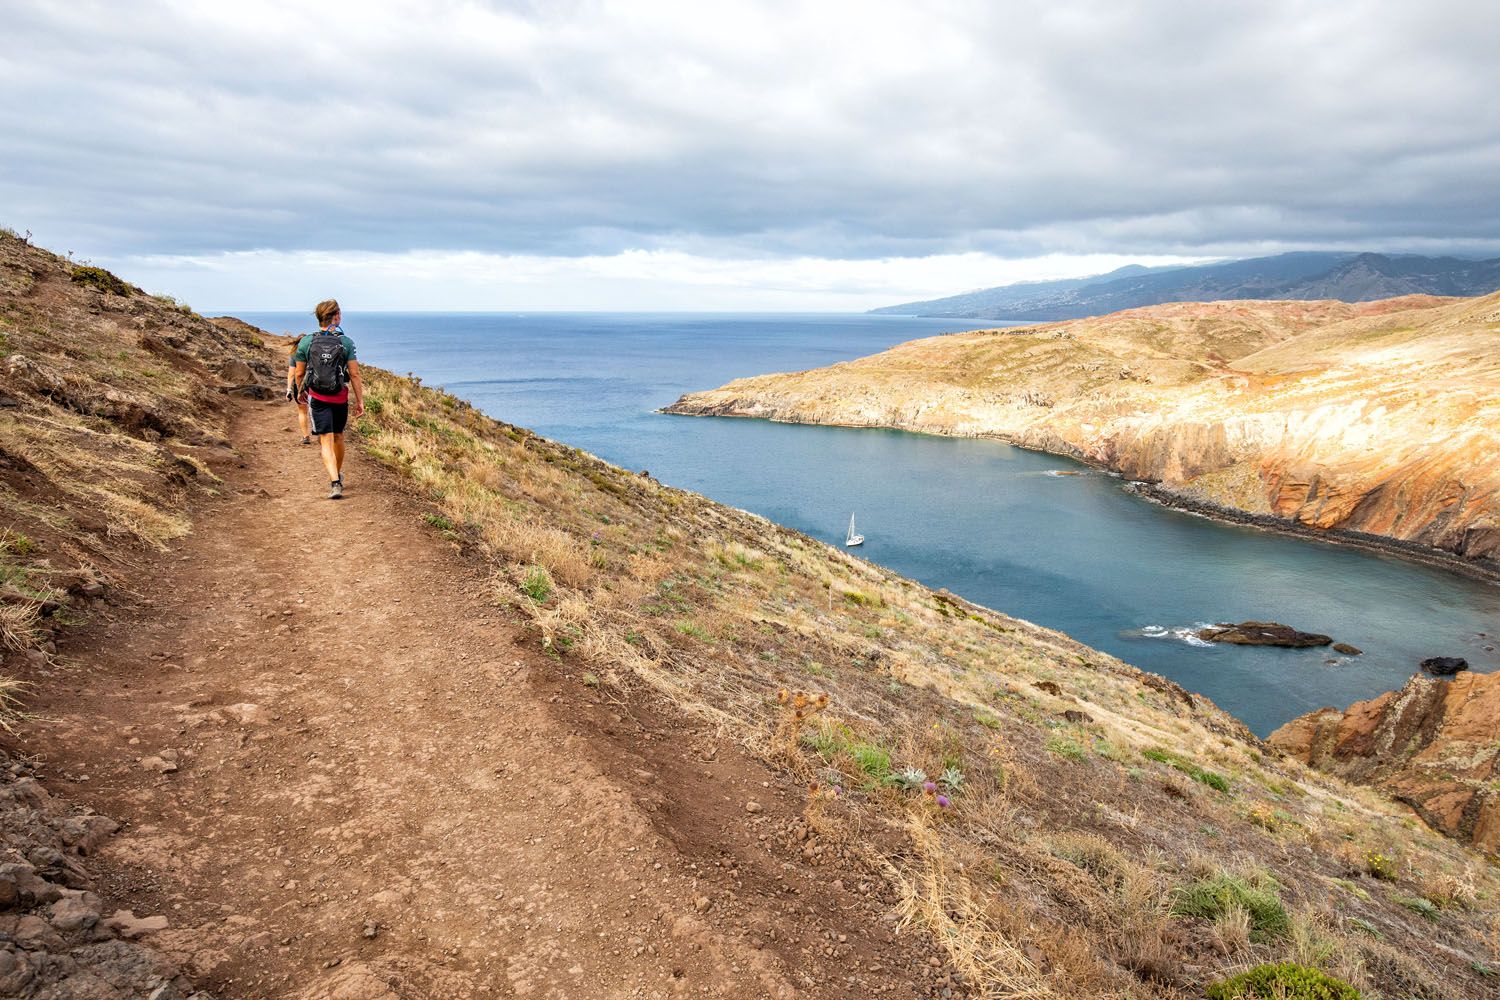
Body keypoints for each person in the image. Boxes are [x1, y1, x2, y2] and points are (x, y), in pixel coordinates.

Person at [289, 299, 365, 499]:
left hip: (318, 398)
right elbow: (355, 374)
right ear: (336, 316)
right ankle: (337, 475)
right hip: (339, 398)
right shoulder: (346, 342)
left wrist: (300, 392)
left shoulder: (306, 342)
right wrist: (359, 401)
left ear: (319, 318)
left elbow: (299, 373)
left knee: (326, 440)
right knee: (339, 436)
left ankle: (334, 482)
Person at [285, 342, 312, 445]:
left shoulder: (294, 354)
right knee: (317, 409)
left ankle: (305, 436)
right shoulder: (314, 351)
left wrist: (289, 390)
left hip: (299, 384)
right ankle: (321, 434)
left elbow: (292, 373)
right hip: (315, 384)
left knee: (302, 411)